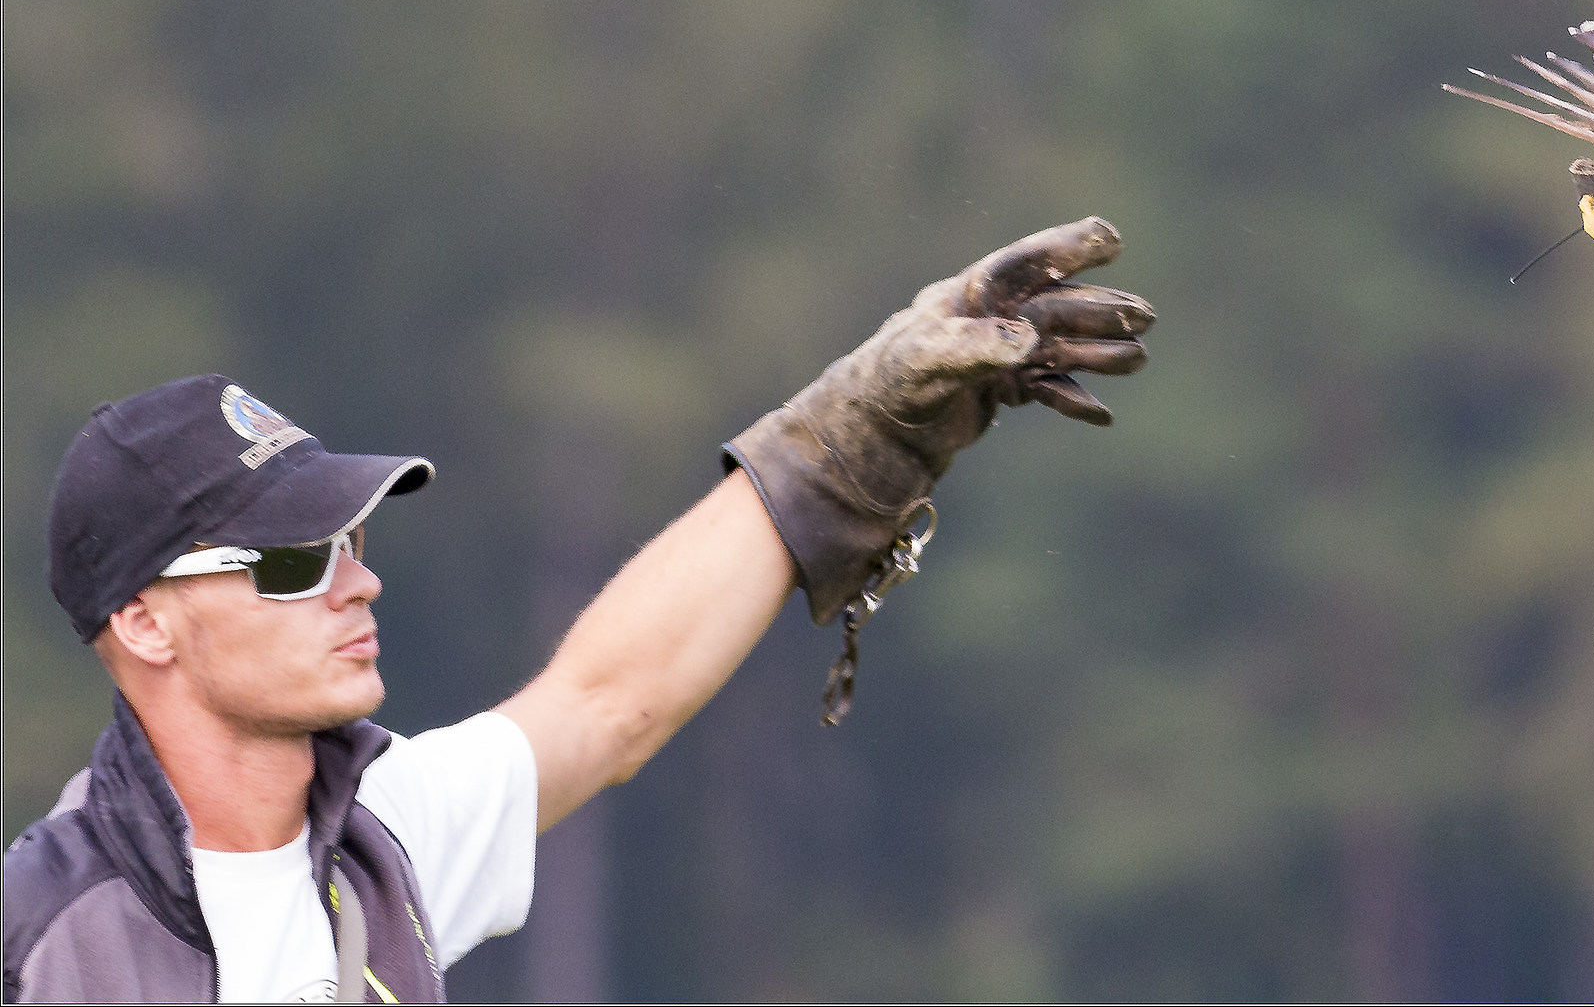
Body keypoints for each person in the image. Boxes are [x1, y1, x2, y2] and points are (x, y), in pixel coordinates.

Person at [2, 218, 1153, 1004]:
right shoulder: (35, 938)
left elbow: (612, 697)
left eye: (352, 544)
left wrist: (860, 425)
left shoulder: (379, 829)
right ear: (146, 626)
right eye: (296, 563)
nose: (359, 583)